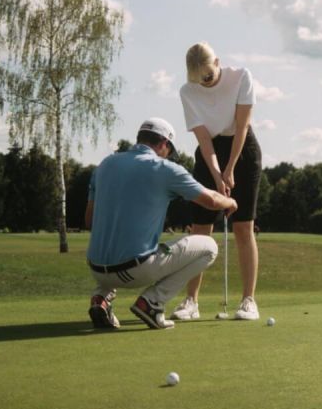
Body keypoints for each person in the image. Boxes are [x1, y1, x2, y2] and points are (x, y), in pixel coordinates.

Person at [85, 117, 237, 330]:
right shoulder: (166, 169)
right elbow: (211, 201)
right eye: (169, 149)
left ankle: (100, 297)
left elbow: (90, 221)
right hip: (136, 271)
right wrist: (230, 201)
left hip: (97, 270)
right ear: (164, 144)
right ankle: (152, 302)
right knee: (208, 247)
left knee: (117, 243)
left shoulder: (104, 165)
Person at [170, 42, 262, 321]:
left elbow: (242, 127)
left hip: (242, 151)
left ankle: (248, 301)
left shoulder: (241, 77)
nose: (205, 83)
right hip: (209, 156)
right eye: (199, 79)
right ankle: (191, 302)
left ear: (218, 63)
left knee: (243, 228)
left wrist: (230, 168)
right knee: (200, 229)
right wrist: (216, 173)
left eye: (208, 76)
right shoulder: (187, 91)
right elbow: (204, 140)